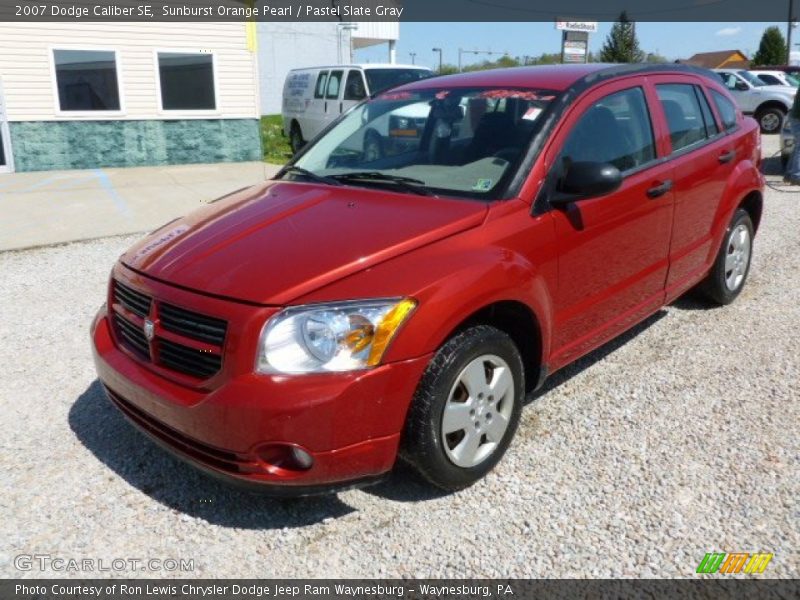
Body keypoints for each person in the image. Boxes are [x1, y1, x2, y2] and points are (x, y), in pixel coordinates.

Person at [785, 85, 800, 184]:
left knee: (797, 146)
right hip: (797, 118)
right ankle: (796, 176)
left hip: (795, 117)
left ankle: (789, 174)